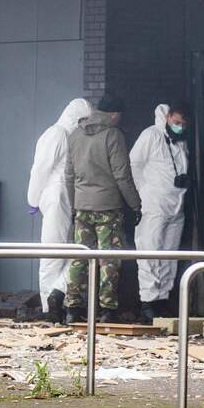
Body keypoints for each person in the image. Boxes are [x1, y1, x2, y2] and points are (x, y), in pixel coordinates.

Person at [63, 94, 142, 325]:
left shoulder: (75, 134)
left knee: (79, 258)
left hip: (82, 207)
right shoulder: (113, 135)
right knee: (109, 259)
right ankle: (107, 309)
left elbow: (68, 175)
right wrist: (135, 204)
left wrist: (74, 204)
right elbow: (122, 175)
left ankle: (73, 307)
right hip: (108, 207)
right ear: (115, 114)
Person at [26, 97, 91, 324]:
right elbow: (41, 169)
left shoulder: (69, 135)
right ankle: (49, 305)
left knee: (68, 252)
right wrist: (33, 198)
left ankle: (55, 298)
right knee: (53, 253)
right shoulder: (57, 134)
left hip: (65, 197)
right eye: (82, 119)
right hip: (57, 196)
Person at [130, 103, 190, 324]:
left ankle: (162, 298)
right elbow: (134, 164)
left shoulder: (180, 142)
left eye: (183, 124)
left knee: (169, 254)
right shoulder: (151, 136)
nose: (180, 127)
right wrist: (142, 192)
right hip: (153, 204)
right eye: (176, 122)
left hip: (176, 205)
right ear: (167, 118)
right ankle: (148, 301)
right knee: (149, 251)